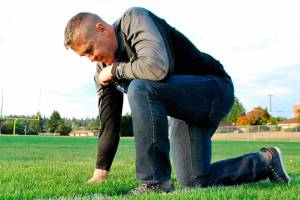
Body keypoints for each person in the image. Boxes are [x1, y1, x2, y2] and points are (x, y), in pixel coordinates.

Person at [64, 7, 291, 194]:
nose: (91, 58)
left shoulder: (134, 19)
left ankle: (154, 182)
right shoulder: (103, 67)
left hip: (214, 88)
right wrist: (100, 171)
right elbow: (109, 121)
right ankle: (266, 161)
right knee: (194, 179)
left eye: (89, 50)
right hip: (185, 109)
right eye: (85, 55)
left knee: (140, 87)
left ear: (101, 29)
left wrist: (116, 70)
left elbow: (157, 67)